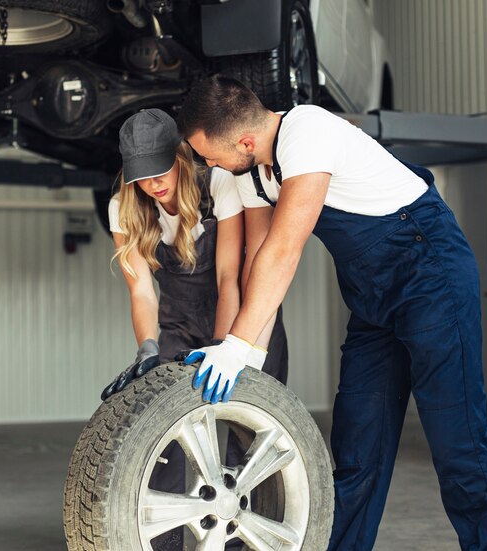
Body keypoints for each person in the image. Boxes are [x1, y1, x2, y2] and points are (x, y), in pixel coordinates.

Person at [177, 76, 487, 551]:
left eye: (210, 155)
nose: (207, 166)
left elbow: (285, 251)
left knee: (457, 438)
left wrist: (236, 344)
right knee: (357, 445)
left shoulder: (307, 131)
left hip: (429, 273)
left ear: (245, 141)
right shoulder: (247, 172)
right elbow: (257, 260)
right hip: (373, 299)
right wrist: (247, 352)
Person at [100, 108, 289, 549]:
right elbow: (142, 292)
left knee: (249, 438)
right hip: (177, 326)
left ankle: (243, 542)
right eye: (142, 175)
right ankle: (159, 542)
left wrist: (228, 350)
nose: (153, 183)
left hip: (239, 319)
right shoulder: (122, 208)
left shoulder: (216, 186)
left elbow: (230, 276)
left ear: (180, 156)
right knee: (161, 435)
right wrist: (147, 348)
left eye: (161, 169)